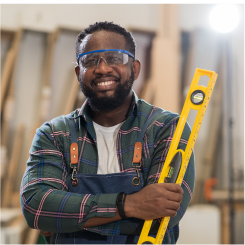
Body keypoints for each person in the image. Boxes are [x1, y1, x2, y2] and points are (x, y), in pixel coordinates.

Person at [20, 21, 195, 245]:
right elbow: (37, 208)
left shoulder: (167, 128)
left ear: (135, 68)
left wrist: (64, 219)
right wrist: (130, 205)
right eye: (90, 61)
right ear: (78, 72)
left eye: (115, 58)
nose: (102, 68)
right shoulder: (55, 134)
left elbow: (161, 218)